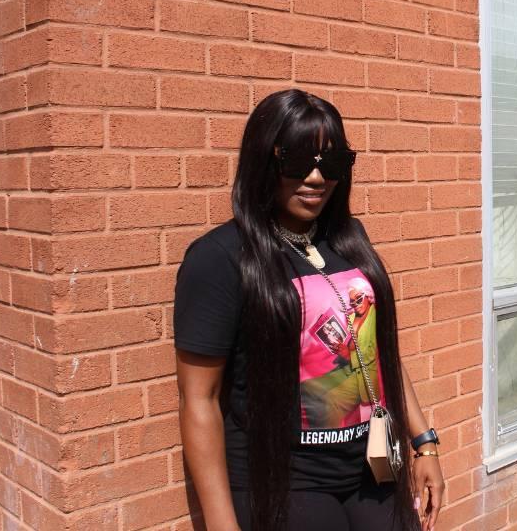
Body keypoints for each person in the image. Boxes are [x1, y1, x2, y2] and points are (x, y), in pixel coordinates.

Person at [174, 89, 445, 531]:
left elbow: (377, 350)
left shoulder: (348, 239)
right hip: (286, 485)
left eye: (332, 163)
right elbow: (199, 401)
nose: (317, 178)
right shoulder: (221, 257)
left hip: (371, 470)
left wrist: (424, 442)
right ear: (263, 160)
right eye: (298, 160)